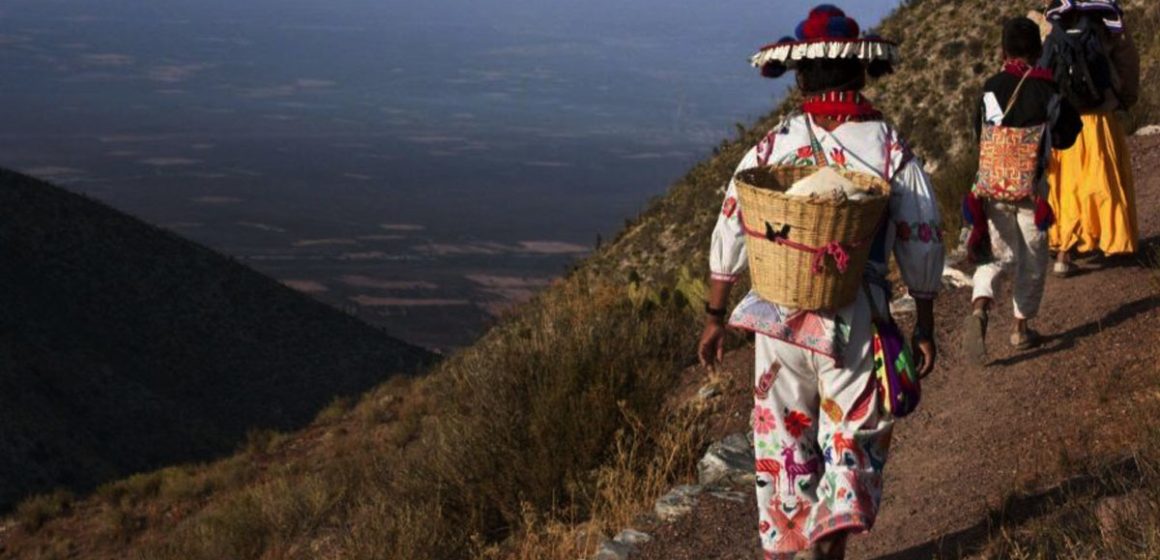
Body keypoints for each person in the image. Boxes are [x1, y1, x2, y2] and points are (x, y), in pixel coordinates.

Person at [696, 5, 944, 558]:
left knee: (784, 432)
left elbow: (732, 224)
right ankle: (829, 538)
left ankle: (794, 534)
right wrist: (924, 321)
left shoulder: (774, 145)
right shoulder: (887, 146)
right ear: (859, 73)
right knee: (850, 431)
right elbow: (921, 235)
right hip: (854, 312)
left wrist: (715, 316)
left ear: (802, 77)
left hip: (777, 315)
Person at [962, 17, 1082, 363]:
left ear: (1004, 51)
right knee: (1032, 257)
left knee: (997, 255)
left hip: (992, 187)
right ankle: (1020, 328)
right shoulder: (1047, 88)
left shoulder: (991, 86)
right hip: (1032, 191)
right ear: (1038, 50)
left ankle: (980, 307)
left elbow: (980, 131)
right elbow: (1068, 134)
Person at [1039, 0, 1140, 276]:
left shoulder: (1051, 18)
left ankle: (1064, 249)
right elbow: (1127, 61)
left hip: (1063, 119)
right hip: (1099, 115)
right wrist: (1125, 98)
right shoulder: (1107, 14)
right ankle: (1112, 237)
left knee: (1066, 184)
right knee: (1101, 179)